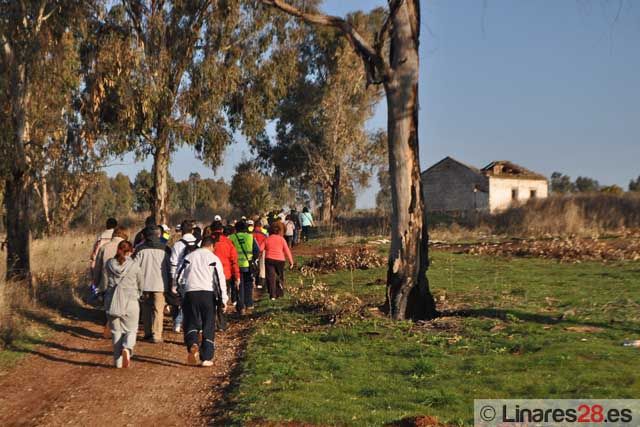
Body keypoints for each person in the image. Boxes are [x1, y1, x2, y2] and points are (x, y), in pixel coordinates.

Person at [178, 236, 228, 367]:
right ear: (212, 246)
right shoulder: (213, 258)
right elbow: (219, 280)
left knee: (190, 321)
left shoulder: (189, 257)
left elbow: (179, 276)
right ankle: (206, 357)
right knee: (208, 323)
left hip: (190, 293)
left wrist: (178, 290)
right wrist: (223, 299)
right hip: (207, 293)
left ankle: (192, 343)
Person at [102, 240, 143, 368]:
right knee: (131, 330)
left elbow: (104, 282)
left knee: (116, 332)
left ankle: (117, 362)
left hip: (112, 302)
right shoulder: (135, 266)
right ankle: (127, 348)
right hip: (130, 301)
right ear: (130, 251)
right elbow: (140, 284)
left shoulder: (109, 264)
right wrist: (138, 294)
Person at [135, 226, 170, 343]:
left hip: (144, 284)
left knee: (145, 309)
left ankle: (147, 332)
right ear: (158, 235)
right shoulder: (165, 249)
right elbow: (169, 267)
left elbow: (134, 267)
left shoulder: (139, 249)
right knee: (158, 310)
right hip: (160, 284)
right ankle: (157, 335)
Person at [94, 226, 129, 339]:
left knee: (108, 307)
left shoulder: (104, 247)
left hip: (106, 282)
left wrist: (96, 282)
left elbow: (97, 267)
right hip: (122, 284)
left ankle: (109, 326)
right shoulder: (127, 247)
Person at [169, 220, 198, 332]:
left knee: (180, 301)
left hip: (181, 276)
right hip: (195, 275)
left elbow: (173, 263)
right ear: (192, 230)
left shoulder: (178, 245)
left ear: (182, 231)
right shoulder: (198, 243)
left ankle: (177, 322)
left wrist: (173, 281)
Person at [229, 221, 259, 314]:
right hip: (248, 265)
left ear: (236, 229)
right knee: (248, 285)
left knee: (238, 286)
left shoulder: (231, 238)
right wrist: (253, 259)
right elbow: (256, 251)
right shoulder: (250, 237)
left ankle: (241, 307)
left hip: (236, 266)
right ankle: (249, 305)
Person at [260, 223, 294, 300]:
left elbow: (260, 249)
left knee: (271, 277)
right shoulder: (282, 239)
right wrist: (291, 262)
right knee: (279, 277)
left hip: (269, 260)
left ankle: (272, 295)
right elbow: (287, 250)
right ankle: (280, 293)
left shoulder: (267, 239)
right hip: (280, 260)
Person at [252, 221, 268, 289]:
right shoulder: (264, 235)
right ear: (261, 227)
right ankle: (261, 283)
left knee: (253, 266)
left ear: (254, 226)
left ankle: (253, 282)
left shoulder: (251, 235)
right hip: (262, 252)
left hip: (253, 252)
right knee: (262, 266)